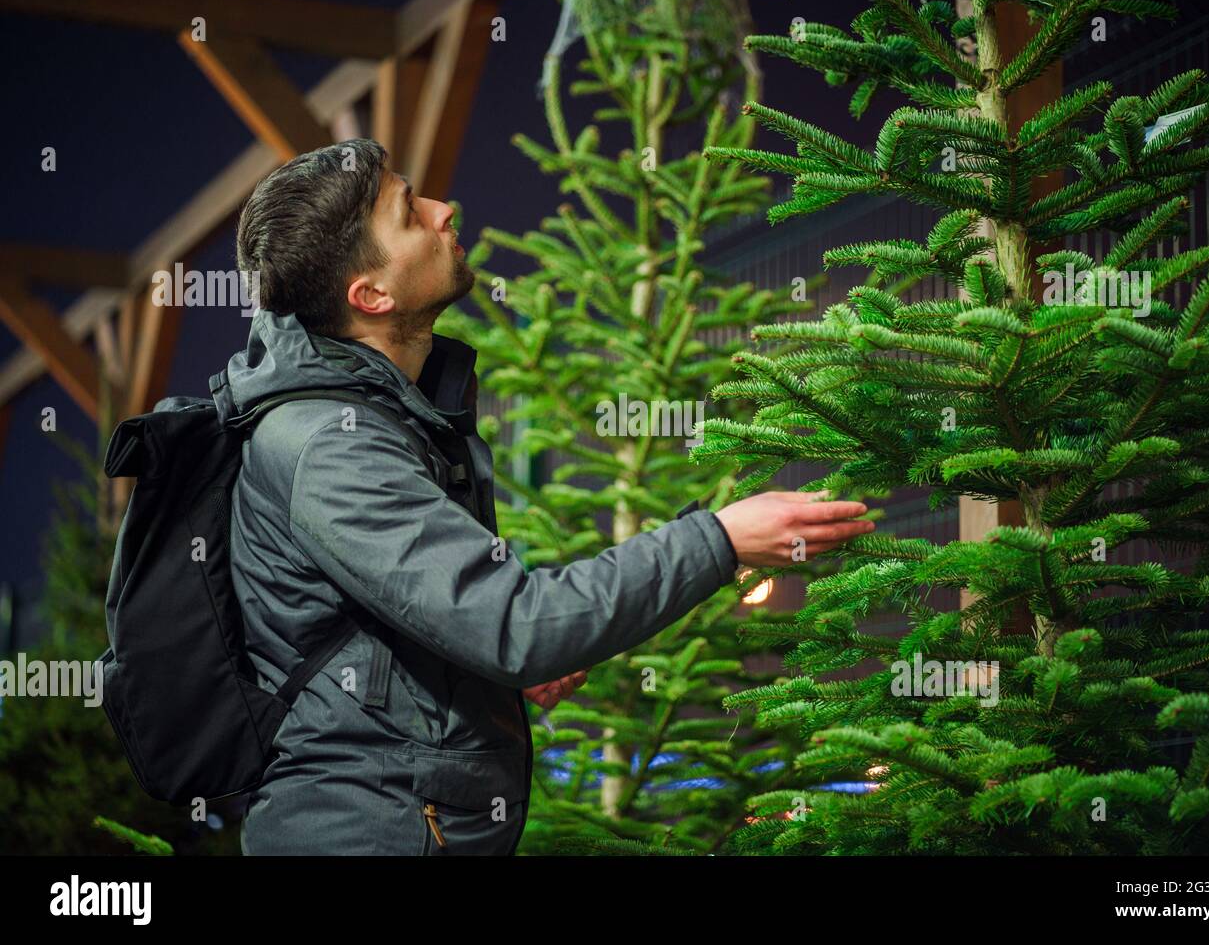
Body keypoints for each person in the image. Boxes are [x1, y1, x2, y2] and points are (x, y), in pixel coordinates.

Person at [220, 138, 874, 855]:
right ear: (370, 295)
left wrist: (479, 672)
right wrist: (719, 540)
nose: (445, 211)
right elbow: (514, 626)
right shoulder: (333, 446)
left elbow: (415, 623)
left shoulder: (373, 416)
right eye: (409, 213)